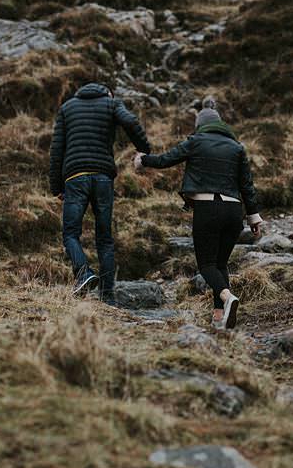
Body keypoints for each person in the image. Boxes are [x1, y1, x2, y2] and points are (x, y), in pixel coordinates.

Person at [133, 99, 263, 329]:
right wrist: (253, 216)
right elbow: (247, 185)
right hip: (234, 210)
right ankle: (218, 316)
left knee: (206, 265)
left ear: (200, 125)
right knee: (220, 264)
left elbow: (166, 160)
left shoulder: (195, 141)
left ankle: (227, 298)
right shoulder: (237, 147)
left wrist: (143, 160)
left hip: (207, 209)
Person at [49, 82, 151, 305]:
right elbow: (131, 121)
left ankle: (83, 273)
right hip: (103, 177)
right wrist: (144, 150)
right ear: (108, 92)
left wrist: (56, 187)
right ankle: (107, 297)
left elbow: (57, 149)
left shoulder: (67, 107)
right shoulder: (111, 103)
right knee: (104, 239)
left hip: (75, 178)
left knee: (70, 234)